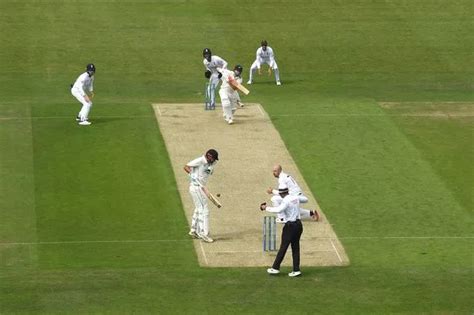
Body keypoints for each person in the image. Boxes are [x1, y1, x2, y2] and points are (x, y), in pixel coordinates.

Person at [260, 186, 303, 277]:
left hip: (290, 226)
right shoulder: (295, 197)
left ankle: (275, 268)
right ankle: (296, 269)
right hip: (299, 225)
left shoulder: (286, 200)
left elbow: (279, 210)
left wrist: (266, 208)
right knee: (295, 248)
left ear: (282, 194)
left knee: (283, 247)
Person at [183, 149, 219, 243]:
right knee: (204, 210)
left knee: (199, 208)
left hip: (201, 188)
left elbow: (208, 172)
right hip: (196, 187)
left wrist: (210, 168)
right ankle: (204, 233)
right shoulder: (200, 160)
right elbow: (186, 166)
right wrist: (191, 174)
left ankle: (194, 230)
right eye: (213, 159)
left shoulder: (211, 164)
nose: (215, 161)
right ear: (209, 156)